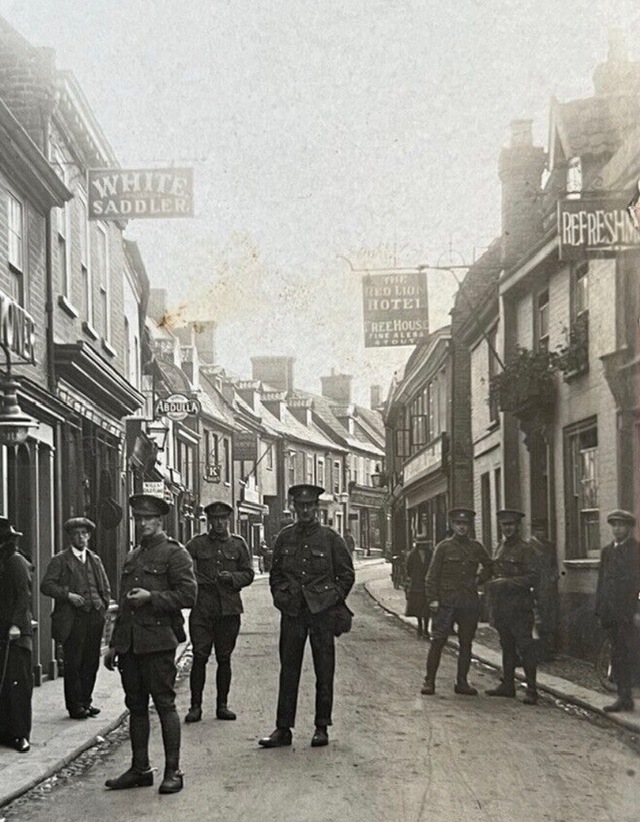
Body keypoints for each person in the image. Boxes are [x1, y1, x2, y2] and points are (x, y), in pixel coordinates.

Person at [104, 495, 197, 794]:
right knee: (136, 707)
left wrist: (152, 598)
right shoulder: (132, 556)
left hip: (158, 643)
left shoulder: (175, 554)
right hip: (130, 645)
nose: (142, 523)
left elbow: (188, 596)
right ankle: (140, 768)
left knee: (165, 705)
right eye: (138, 518)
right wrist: (114, 644)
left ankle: (174, 771)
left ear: (160, 521)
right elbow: (124, 606)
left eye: (148, 518)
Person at [259, 484, 355, 749]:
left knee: (324, 671)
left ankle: (321, 726)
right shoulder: (284, 538)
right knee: (288, 671)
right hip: (293, 613)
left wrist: (331, 599)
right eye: (299, 506)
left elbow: (347, 575)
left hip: (321, 614)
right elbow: (275, 574)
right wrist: (281, 597)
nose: (304, 510)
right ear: (293, 507)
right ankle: (283, 728)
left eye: (309, 506)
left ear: (316, 507)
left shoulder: (331, 539)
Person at [184, 501, 254, 723]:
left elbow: (249, 573)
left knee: (224, 658)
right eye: (215, 520)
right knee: (199, 657)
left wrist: (232, 579)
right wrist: (198, 582)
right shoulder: (196, 544)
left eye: (223, 519)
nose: (219, 523)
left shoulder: (238, 544)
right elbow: (183, 570)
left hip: (229, 610)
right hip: (202, 608)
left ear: (229, 520)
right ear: (209, 522)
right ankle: (195, 706)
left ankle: (222, 705)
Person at [41, 517, 111, 719]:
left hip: (94, 617)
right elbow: (46, 585)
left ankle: (86, 702)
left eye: (83, 533)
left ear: (88, 536)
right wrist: (67, 595)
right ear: (70, 537)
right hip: (73, 619)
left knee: (91, 662)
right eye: (76, 534)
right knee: (74, 663)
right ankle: (75, 706)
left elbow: (104, 587)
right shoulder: (60, 560)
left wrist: (103, 605)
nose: (80, 537)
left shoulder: (95, 560)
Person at [421, 508, 492, 696]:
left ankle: (462, 682)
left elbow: (489, 565)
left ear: (469, 526)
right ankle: (429, 681)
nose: (462, 527)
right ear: (453, 525)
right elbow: (431, 576)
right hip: (446, 603)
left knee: (466, 643)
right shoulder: (443, 547)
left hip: (468, 603)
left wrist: (479, 580)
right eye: (459, 524)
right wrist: (433, 600)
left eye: (465, 524)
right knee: (438, 641)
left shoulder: (476, 547)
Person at [486, 510, 540, 705]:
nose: (507, 528)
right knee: (506, 646)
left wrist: (506, 583)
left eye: (511, 525)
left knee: (525, 647)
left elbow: (533, 578)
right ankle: (508, 685)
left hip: (519, 607)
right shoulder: (499, 547)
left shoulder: (527, 550)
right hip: (502, 607)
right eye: (504, 525)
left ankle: (532, 690)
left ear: (517, 526)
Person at [595, 509, 640, 713]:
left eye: (621, 525)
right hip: (610, 611)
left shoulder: (636, 551)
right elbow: (602, 582)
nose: (617, 529)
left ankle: (626, 695)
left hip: (628, 612)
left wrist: (638, 610)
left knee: (629, 654)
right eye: (614, 525)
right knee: (617, 653)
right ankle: (623, 697)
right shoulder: (607, 551)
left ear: (630, 528)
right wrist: (599, 609)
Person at [0, 517, 33, 753]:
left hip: (16, 636)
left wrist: (15, 625)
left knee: (17, 686)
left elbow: (24, 596)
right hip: (3, 635)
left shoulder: (16, 561)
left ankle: (20, 734)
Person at [529, 518, 559, 661]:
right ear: (534, 531)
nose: (542, 533)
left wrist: (554, 575)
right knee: (536, 619)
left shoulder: (549, 546)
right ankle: (538, 651)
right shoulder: (529, 547)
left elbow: (554, 565)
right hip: (535, 587)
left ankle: (548, 649)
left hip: (549, 588)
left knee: (549, 618)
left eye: (543, 530)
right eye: (539, 530)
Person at [405, 539, 433, 638]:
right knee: (418, 608)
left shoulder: (430, 554)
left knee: (426, 609)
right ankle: (420, 627)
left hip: (427, 585)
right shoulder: (412, 555)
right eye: (421, 545)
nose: (423, 547)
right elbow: (408, 568)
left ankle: (425, 629)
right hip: (416, 586)